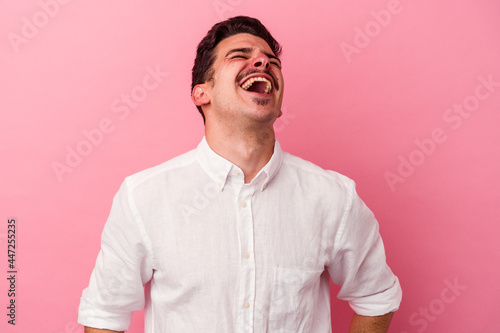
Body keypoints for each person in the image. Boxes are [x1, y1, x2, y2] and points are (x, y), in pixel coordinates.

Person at [78, 16, 402, 333]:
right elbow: (105, 313)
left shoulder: (333, 197)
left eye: (271, 61)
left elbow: (376, 295)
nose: (263, 62)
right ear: (201, 93)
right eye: (240, 56)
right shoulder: (143, 197)